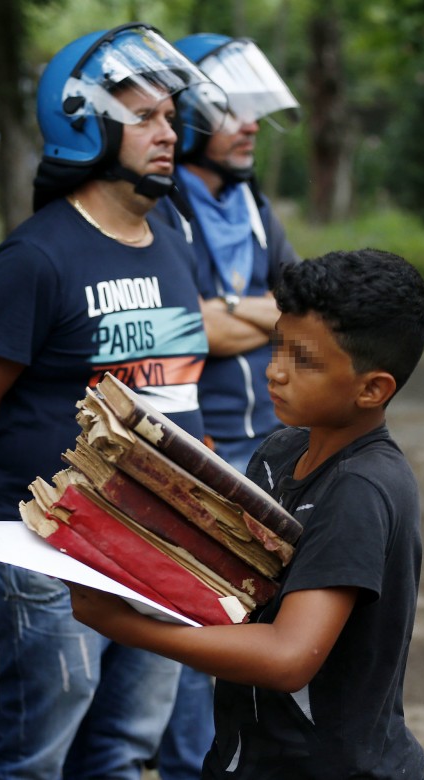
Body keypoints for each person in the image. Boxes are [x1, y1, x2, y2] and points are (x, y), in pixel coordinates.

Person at [0, 22, 229, 780]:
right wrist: (47, 481)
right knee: (37, 752)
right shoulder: (34, 259)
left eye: (170, 115)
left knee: (126, 750)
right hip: (54, 542)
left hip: (162, 539)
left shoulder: (168, 232)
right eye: (145, 117)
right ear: (85, 125)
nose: (170, 131)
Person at [67, 248, 424, 780]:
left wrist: (123, 626)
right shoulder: (280, 451)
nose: (276, 372)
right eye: (277, 345)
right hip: (248, 758)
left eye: (303, 360)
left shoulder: (361, 487)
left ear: (372, 388)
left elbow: (289, 656)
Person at [151, 34, 303, 779]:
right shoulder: (164, 205)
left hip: (268, 449)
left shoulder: (250, 202)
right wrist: (253, 313)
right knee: (198, 629)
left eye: (254, 110)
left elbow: (300, 311)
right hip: (200, 449)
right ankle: (188, 768)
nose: (248, 125)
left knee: (265, 625)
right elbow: (191, 328)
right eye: (229, 110)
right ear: (187, 116)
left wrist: (231, 312)